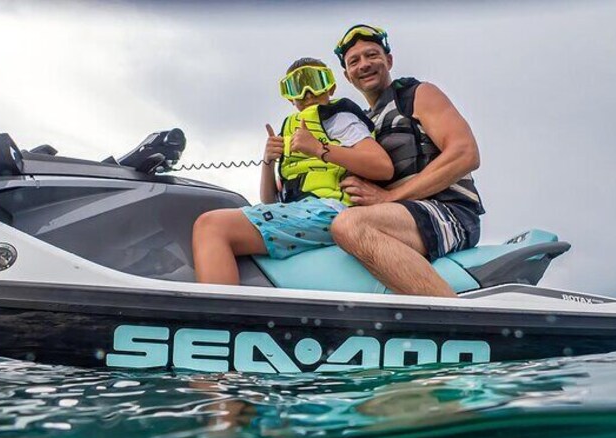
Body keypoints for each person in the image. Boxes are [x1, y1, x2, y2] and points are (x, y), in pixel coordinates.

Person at [192, 57, 393, 285]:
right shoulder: (292, 130)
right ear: (289, 96)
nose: (307, 94)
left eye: (314, 82)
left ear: (330, 87)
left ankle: (220, 309)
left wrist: (317, 148)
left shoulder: (337, 117)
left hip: (332, 210)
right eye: (297, 86)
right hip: (304, 209)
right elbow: (269, 200)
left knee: (212, 226)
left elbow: (382, 166)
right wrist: (268, 161)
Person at [329, 25, 486, 297]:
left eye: (372, 55)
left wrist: (389, 197)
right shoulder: (360, 127)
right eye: (354, 61)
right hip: (398, 219)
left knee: (350, 225)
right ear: (347, 75)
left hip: (449, 213)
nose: (364, 64)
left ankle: (456, 316)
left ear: (389, 60)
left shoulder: (417, 95)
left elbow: (465, 153)